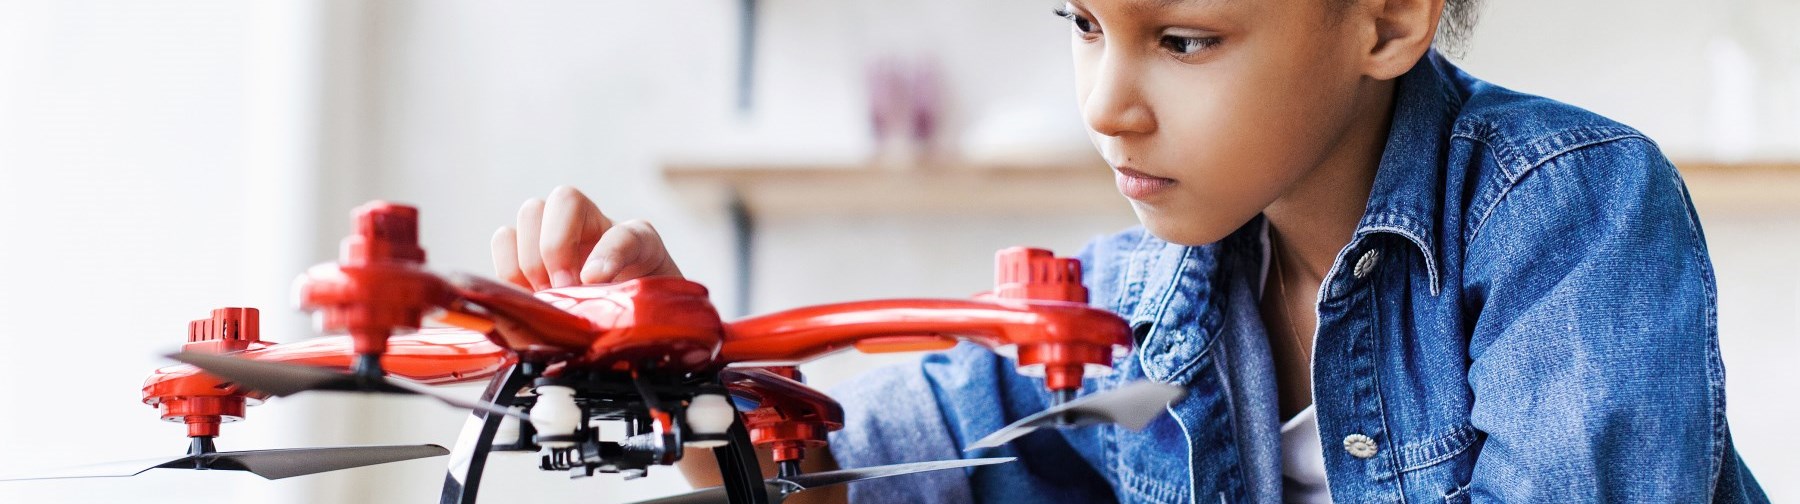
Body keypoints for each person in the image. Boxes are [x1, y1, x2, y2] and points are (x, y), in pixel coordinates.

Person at [489, 0, 1770, 502]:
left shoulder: (1572, 211)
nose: (1106, 99)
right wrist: (671, 361)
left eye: (1186, 38)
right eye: (1083, 20)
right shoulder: (1128, 298)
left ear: (1387, 19)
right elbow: (833, 472)